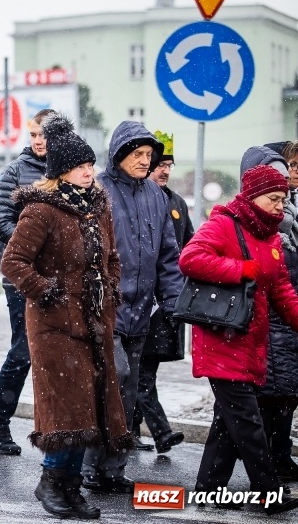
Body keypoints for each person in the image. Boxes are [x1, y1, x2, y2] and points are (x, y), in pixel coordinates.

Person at [2, 114, 131, 519]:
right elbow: (13, 262)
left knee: (87, 409)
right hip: (54, 324)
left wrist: (109, 288)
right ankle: (52, 481)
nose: (89, 172)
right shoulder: (42, 210)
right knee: (66, 409)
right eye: (81, 166)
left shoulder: (96, 207)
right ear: (61, 172)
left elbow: (111, 256)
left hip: (93, 321)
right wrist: (47, 291)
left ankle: (71, 488)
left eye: (91, 165)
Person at [181, 164, 298, 515]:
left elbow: (281, 290)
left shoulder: (270, 236)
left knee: (227, 422)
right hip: (222, 340)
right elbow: (190, 258)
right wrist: (242, 269)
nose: (280, 206)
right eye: (273, 199)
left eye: (283, 199)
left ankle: (209, 489)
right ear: (252, 196)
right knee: (248, 423)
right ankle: (268, 492)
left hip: (250, 342)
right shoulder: (224, 224)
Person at [82, 120, 183, 493]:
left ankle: (113, 468)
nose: (146, 161)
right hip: (105, 307)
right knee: (114, 380)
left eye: (149, 155)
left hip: (141, 311)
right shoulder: (98, 191)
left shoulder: (157, 196)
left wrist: (172, 302)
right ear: (120, 154)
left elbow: (168, 255)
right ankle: (91, 466)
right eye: (138, 154)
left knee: (127, 392)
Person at [0, 108, 55, 455]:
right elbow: (0, 220)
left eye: (44, 134)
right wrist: (33, 251)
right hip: (23, 275)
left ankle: (54, 428)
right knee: (24, 350)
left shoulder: (68, 170)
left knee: (57, 352)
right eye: (33, 135)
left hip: (59, 278)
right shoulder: (15, 171)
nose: (38, 141)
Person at [132, 131, 192, 453]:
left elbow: (190, 246)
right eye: (160, 164)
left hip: (165, 304)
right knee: (139, 372)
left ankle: (131, 432)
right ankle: (159, 431)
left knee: (144, 369)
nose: (165, 170)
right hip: (139, 303)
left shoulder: (177, 203)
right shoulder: (132, 198)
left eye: (169, 164)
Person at [255, 144, 298, 483]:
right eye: (289, 167)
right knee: (274, 393)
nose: (292, 175)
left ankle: (277, 456)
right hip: (272, 318)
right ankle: (269, 461)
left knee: (286, 392)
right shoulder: (267, 219)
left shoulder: (289, 214)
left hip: (288, 316)